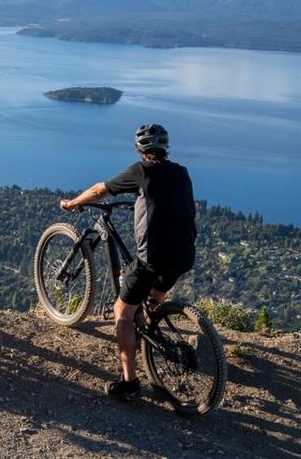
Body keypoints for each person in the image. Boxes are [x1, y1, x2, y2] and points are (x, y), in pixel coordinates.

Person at [60, 123, 197, 400]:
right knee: (153, 299)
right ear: (165, 148)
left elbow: (101, 189)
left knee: (122, 312)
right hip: (184, 255)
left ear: (140, 149)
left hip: (153, 259)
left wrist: (74, 203)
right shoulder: (181, 172)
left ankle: (130, 383)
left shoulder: (142, 171)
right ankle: (151, 339)